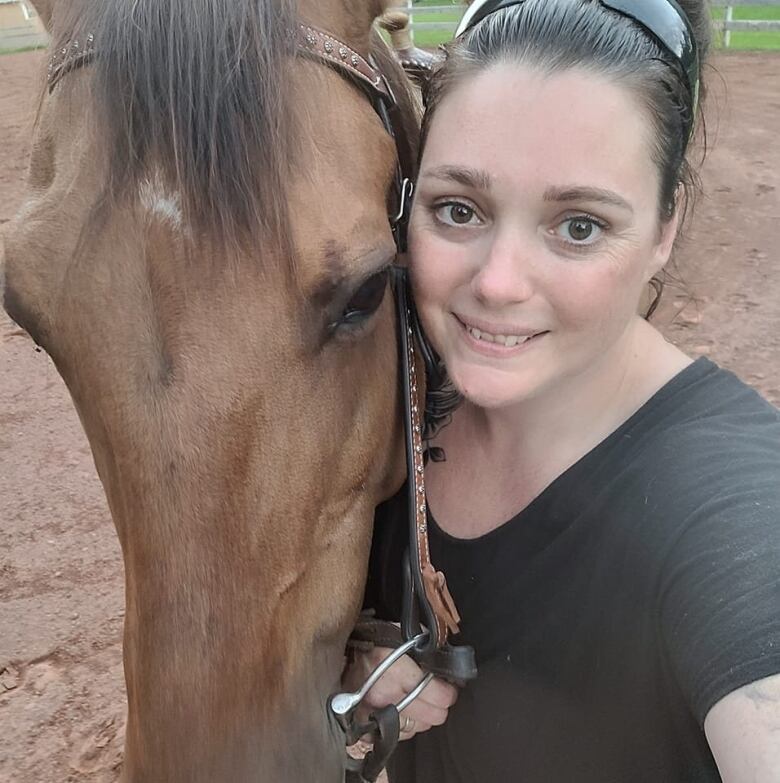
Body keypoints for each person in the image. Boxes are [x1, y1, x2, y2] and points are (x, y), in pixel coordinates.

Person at [343, 0, 780, 780]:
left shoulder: (733, 508)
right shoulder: (385, 405)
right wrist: (344, 663)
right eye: (458, 209)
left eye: (577, 225)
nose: (499, 284)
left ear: (664, 228)